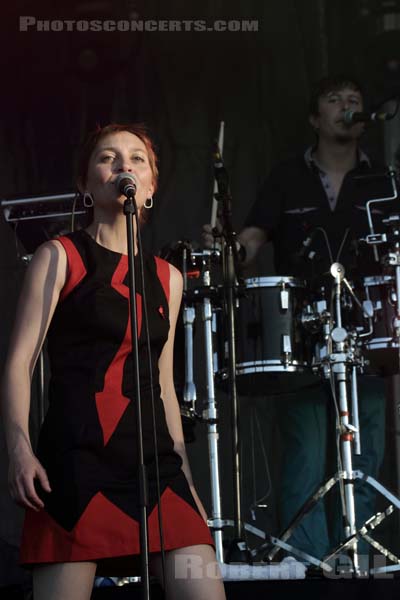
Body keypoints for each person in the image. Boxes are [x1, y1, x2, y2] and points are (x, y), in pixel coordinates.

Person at [1, 123, 226, 600]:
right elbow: (20, 362)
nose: (123, 165)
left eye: (137, 158)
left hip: (155, 468)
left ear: (149, 186)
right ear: (86, 183)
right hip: (78, 462)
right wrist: (20, 449)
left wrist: (186, 480)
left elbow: (162, 383)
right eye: (108, 157)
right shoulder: (59, 256)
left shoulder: (168, 277)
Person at [203, 75, 391, 564]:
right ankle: (307, 566)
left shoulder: (383, 179)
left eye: (355, 101)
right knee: (307, 454)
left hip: (367, 331)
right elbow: (252, 238)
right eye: (335, 100)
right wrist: (228, 250)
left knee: (364, 453)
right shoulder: (287, 177)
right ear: (315, 119)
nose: (347, 106)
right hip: (303, 334)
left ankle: (359, 562)